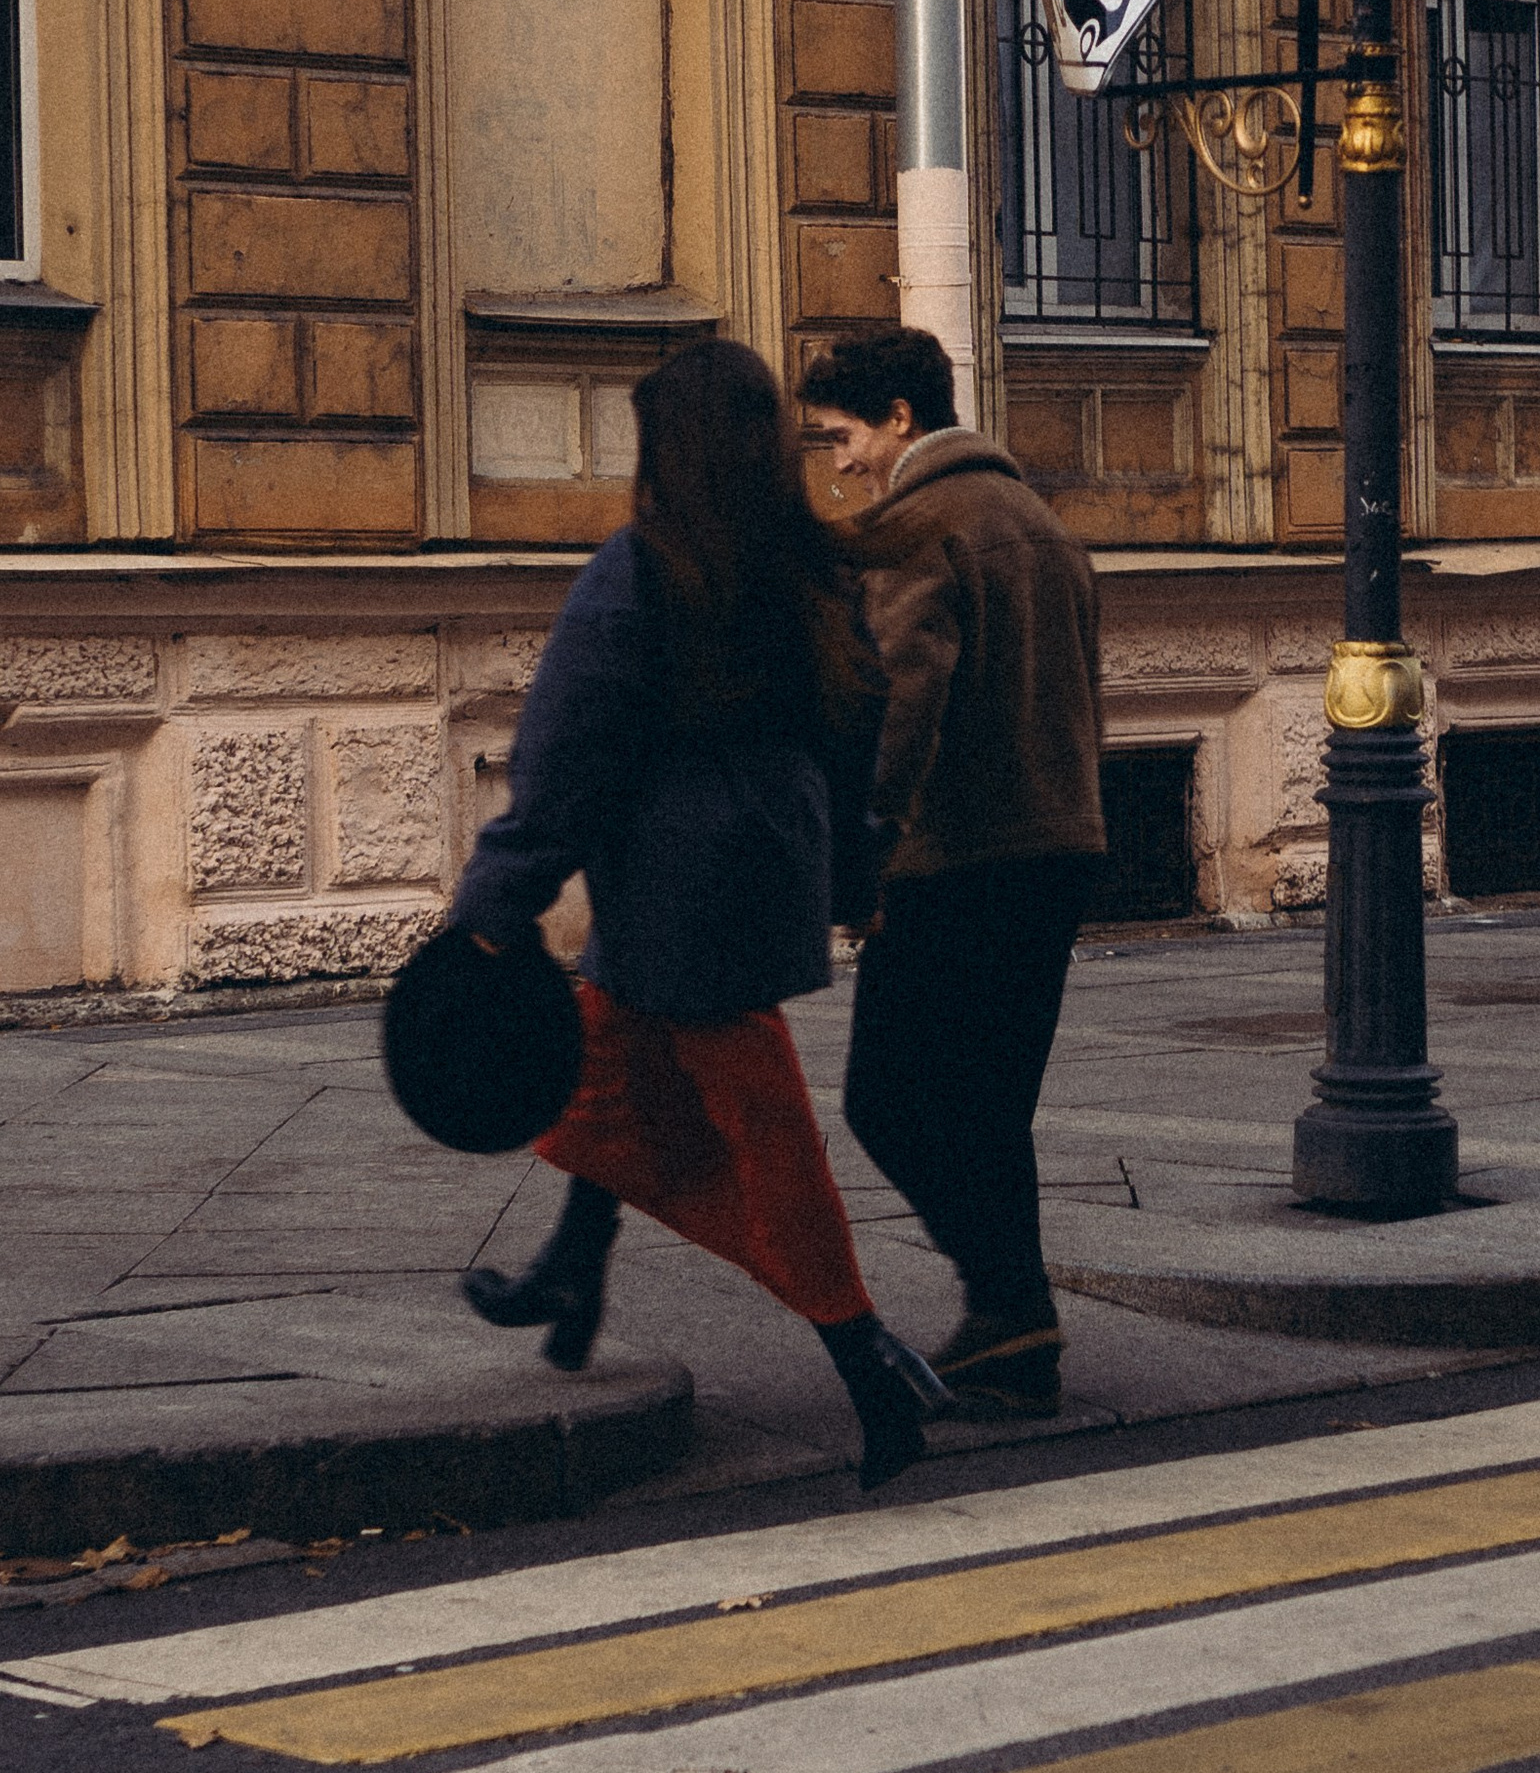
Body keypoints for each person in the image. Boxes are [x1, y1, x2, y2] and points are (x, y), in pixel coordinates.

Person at [451, 338, 949, 1494]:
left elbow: (563, 755)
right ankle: (571, 1275)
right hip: (766, 862)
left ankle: (864, 1351)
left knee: (763, 1144)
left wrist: (494, 901)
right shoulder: (807, 565)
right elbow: (856, 727)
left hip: (672, 883)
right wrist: (849, 874)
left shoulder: (638, 571)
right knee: (604, 1083)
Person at [799, 327, 1106, 1419]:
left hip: (955, 858)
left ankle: (1009, 1302)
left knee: (886, 1100)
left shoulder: (918, 528)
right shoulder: (1037, 523)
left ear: (898, 419)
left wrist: (861, 851)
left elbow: (901, 697)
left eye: (841, 437)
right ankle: (1014, 1335)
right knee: (986, 1107)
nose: (836, 465)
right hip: (1057, 851)